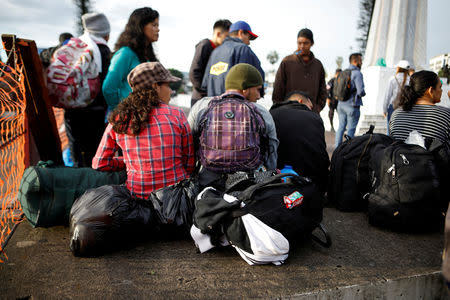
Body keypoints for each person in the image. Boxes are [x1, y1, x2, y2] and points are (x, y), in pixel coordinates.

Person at [93, 62, 195, 199]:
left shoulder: (119, 119)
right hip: (177, 197)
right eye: (168, 85)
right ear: (155, 87)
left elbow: (100, 162)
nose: (170, 91)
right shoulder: (177, 115)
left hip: (138, 198)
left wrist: (129, 161)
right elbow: (189, 163)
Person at [190, 63, 278, 171]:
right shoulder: (261, 111)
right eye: (258, 89)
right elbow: (271, 149)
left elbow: (188, 143)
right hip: (248, 180)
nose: (259, 96)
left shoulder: (202, 105)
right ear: (245, 89)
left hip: (208, 176)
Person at [64, 12, 111, 167]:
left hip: (71, 109)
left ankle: (76, 187)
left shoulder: (74, 45)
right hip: (94, 112)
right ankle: (91, 189)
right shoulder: (102, 50)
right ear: (105, 33)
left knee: (76, 153)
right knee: (93, 156)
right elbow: (105, 84)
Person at [270, 91, 329, 195]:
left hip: (275, 181)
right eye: (310, 107)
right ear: (300, 101)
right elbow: (321, 155)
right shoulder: (315, 118)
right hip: (310, 183)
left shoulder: (271, 115)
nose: (311, 110)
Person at [102, 7, 159, 112]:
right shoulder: (125, 53)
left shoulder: (147, 55)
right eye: (154, 25)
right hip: (127, 118)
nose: (158, 29)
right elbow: (108, 89)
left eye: (158, 25)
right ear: (141, 26)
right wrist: (122, 112)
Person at [201, 21, 264, 98]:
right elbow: (254, 81)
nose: (249, 42)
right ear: (240, 32)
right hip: (236, 107)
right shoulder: (243, 49)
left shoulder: (215, 52)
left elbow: (205, 85)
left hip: (214, 107)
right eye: (249, 37)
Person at [389, 70, 450, 149]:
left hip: (399, 160)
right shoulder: (446, 115)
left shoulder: (396, 114)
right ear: (430, 91)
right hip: (432, 161)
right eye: (440, 87)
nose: (442, 91)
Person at [272, 28, 327, 114]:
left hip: (311, 113)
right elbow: (278, 87)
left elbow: (323, 89)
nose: (302, 46)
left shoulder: (318, 65)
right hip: (289, 112)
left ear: (312, 43)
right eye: (299, 43)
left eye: (305, 43)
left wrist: (317, 108)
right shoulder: (287, 62)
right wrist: (280, 108)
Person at [189, 19, 231, 107]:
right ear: (218, 34)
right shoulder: (205, 45)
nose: (229, 40)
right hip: (200, 99)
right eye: (227, 36)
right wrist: (206, 93)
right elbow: (194, 73)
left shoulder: (220, 50)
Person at [335, 53, 366, 147]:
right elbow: (360, 91)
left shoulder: (343, 72)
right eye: (360, 60)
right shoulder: (357, 73)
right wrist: (363, 93)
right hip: (352, 106)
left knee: (340, 127)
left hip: (340, 104)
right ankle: (348, 150)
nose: (361, 62)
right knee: (351, 130)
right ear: (355, 61)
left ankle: (337, 149)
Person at [382, 60, 410, 134]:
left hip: (393, 107)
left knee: (391, 130)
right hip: (406, 108)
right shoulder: (410, 80)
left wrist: (384, 109)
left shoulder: (393, 79)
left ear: (399, 68)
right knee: (403, 130)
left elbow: (387, 96)